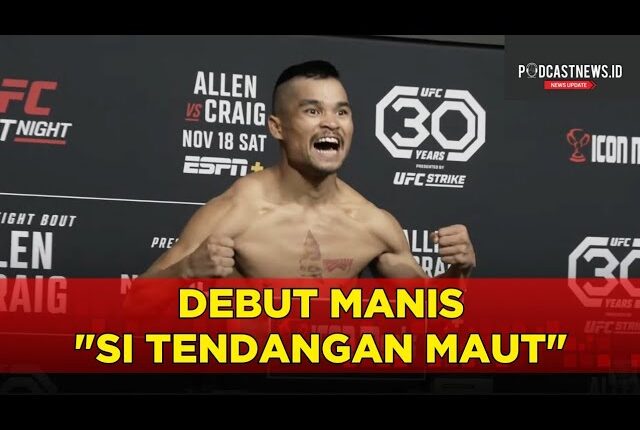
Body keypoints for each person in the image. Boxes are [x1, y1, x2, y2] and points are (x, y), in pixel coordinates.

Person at [131, 60, 476, 296]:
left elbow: (430, 312)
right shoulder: (238, 211)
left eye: (342, 111)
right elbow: (133, 304)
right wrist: (187, 271)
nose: (331, 123)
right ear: (277, 127)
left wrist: (458, 273)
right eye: (313, 111)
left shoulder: (371, 223)